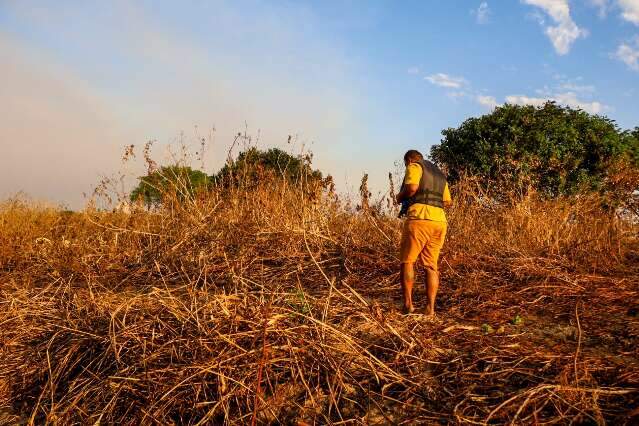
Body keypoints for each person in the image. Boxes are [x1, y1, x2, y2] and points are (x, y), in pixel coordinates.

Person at [395, 150, 452, 316]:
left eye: (406, 163)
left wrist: (399, 197)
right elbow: (447, 201)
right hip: (439, 222)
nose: (407, 166)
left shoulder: (414, 166)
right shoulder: (439, 173)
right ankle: (430, 308)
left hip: (419, 219)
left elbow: (411, 188)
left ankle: (408, 306)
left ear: (410, 159)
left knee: (407, 261)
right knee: (431, 266)